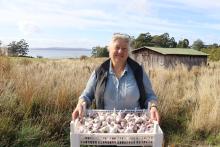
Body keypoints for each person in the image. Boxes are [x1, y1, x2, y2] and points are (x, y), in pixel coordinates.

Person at [72, 33, 159, 123]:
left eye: (124, 49)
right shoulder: (100, 71)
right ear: (109, 50)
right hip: (104, 124)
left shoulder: (138, 71)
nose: (120, 51)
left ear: (128, 52)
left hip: (135, 124)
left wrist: (153, 107)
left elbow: (150, 96)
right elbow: (86, 95)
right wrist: (80, 104)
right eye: (117, 48)